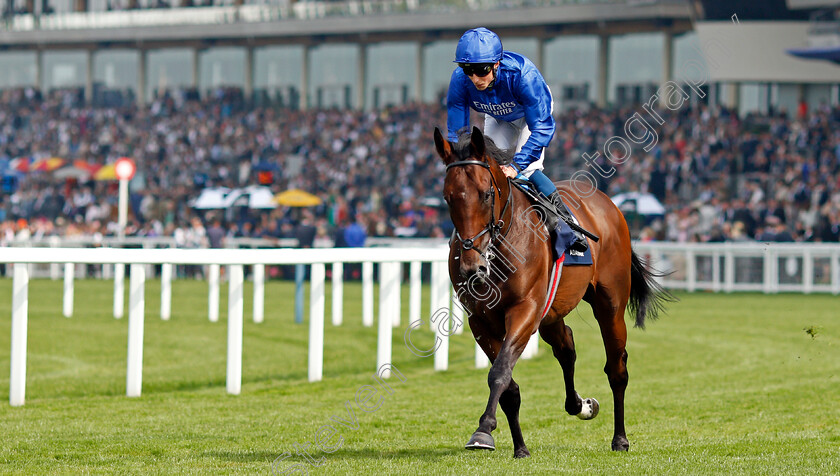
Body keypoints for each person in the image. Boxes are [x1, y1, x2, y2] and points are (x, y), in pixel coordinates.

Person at [446, 27, 587, 253]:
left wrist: (516, 165)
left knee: (528, 170)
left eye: (481, 70)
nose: (474, 79)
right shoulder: (460, 81)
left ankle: (568, 226)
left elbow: (541, 129)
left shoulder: (524, 76)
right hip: (497, 114)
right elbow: (457, 131)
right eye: (468, 70)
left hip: (531, 117)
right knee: (487, 169)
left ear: (496, 64)